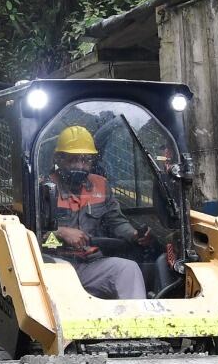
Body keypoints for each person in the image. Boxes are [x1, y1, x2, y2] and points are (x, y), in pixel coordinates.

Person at [42, 125, 148, 300]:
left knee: (128, 269)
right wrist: (60, 232)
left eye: (86, 160)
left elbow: (116, 220)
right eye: (73, 160)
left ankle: (140, 323)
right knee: (62, 275)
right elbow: (29, 235)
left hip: (91, 263)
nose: (80, 166)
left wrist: (135, 234)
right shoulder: (43, 189)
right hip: (55, 265)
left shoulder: (101, 185)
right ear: (59, 159)